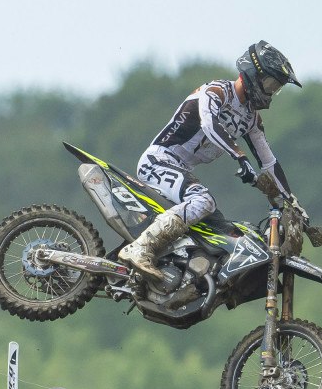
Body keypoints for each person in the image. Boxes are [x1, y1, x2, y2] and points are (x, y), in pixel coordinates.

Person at [115, 41, 302, 280]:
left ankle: (181, 274)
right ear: (254, 75)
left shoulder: (251, 119)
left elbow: (270, 163)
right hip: (159, 160)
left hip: (181, 169)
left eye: (276, 88)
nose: (270, 92)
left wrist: (294, 205)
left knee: (222, 230)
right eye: (269, 84)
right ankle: (141, 248)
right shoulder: (216, 92)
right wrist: (239, 156)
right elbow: (209, 124)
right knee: (203, 200)